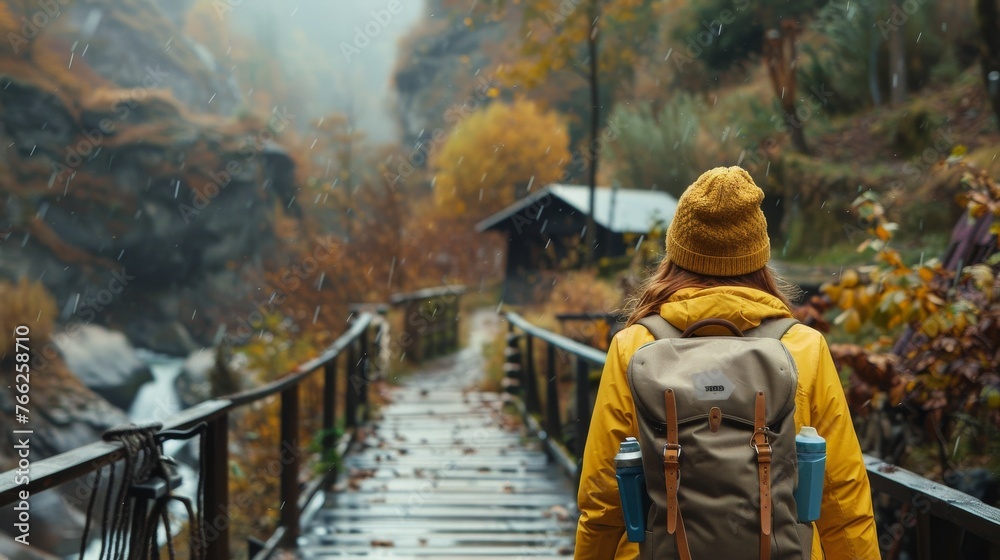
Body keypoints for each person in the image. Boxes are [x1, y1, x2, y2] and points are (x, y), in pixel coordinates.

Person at [575, 166, 879, 559]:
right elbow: (842, 498)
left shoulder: (634, 347)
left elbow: (603, 498)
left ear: (677, 254)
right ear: (759, 258)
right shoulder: (803, 347)